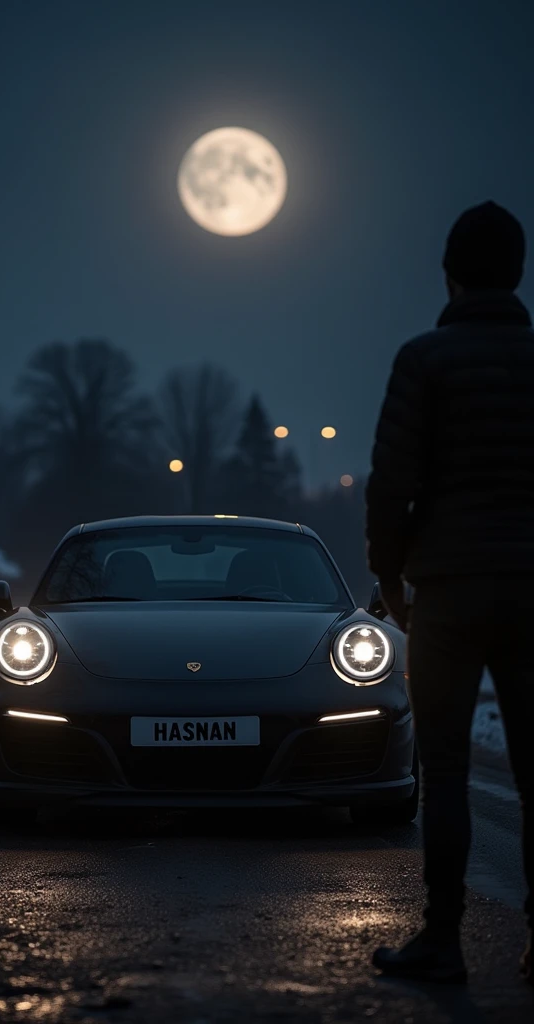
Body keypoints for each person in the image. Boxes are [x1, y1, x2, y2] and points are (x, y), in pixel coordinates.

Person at [366, 201, 533, 985]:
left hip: (450, 589)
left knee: (447, 767)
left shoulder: (424, 360)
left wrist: (389, 577)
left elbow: (390, 485)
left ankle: (443, 937)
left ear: (450, 275)